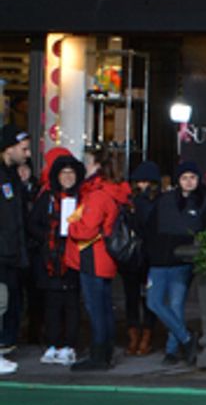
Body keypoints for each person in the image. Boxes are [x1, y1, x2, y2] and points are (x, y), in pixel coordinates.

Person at [64, 155, 132, 373]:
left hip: (92, 256)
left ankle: (98, 356)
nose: (85, 166)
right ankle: (105, 352)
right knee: (104, 307)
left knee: (96, 309)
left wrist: (71, 226)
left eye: (89, 163)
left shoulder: (97, 195)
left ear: (98, 167)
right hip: (106, 257)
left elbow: (86, 229)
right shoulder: (115, 191)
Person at [145, 164, 206, 364]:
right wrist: (151, 252)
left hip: (182, 263)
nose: (188, 181)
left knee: (176, 304)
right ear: (178, 180)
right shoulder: (164, 201)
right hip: (159, 261)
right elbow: (150, 228)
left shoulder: (205, 203)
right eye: (184, 177)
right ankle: (186, 339)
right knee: (154, 302)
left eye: (192, 177)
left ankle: (172, 350)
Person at [29, 151, 83, 365]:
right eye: (64, 173)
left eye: (71, 173)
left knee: (71, 304)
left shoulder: (81, 198)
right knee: (52, 304)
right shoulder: (47, 197)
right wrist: (47, 238)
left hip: (73, 256)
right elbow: (33, 223)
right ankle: (52, 344)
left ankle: (69, 345)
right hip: (50, 259)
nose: (68, 178)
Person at [122, 160, 162, 354]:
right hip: (136, 254)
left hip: (146, 254)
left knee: (146, 298)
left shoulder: (139, 202)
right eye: (140, 182)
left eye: (147, 182)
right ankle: (137, 336)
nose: (143, 185)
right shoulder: (131, 201)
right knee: (134, 297)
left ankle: (143, 336)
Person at [0, 124, 32, 355]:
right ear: (8, 149)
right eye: (24, 149)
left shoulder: (15, 176)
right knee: (3, 302)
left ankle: (6, 345)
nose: (28, 154)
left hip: (14, 252)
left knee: (13, 303)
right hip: (3, 252)